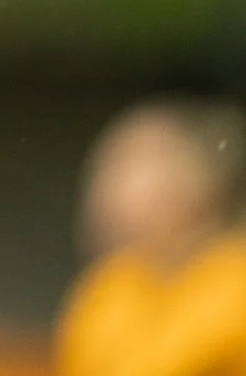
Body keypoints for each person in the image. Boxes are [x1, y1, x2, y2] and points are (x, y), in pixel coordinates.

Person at [57, 98, 246, 376]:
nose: (105, 187)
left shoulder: (233, 284)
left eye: (127, 166)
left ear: (200, 181)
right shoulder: (107, 291)